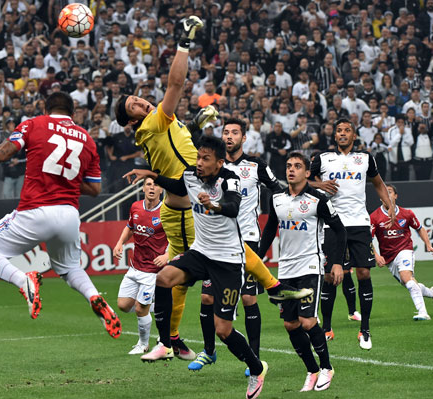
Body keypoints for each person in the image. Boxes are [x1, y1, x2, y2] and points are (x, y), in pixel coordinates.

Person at [115, 16, 310, 362]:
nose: (142, 102)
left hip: (183, 202)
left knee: (187, 272)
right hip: (186, 204)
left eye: (139, 99)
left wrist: (193, 125)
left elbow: (177, 149)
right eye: (134, 105)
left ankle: (171, 340)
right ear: (132, 121)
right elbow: (176, 84)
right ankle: (173, 338)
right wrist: (184, 42)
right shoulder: (152, 122)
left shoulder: (156, 127)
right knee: (208, 261)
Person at [0, 92, 121, 339]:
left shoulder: (34, 124)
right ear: (72, 112)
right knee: (70, 269)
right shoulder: (88, 140)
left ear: (46, 108)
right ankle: (95, 297)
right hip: (69, 216)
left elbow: (2, 155)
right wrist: (61, 177)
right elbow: (94, 189)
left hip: (35, 211)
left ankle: (23, 280)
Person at [124, 136, 269, 399]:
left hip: (227, 260)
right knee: (164, 278)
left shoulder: (230, 178)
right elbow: (177, 186)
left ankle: (257, 369)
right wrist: (151, 174)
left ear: (219, 162)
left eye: (205, 159)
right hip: (201, 252)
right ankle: (167, 343)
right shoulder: (191, 174)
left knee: (223, 330)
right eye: (198, 157)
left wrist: (214, 205)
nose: (199, 163)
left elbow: (234, 207)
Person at [187, 118, 283, 375]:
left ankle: (255, 359)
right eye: (226, 132)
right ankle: (209, 351)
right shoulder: (210, 165)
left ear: (244, 138)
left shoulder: (256, 165)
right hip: (215, 241)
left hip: (247, 239)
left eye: (234, 133)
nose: (229, 136)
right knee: (207, 296)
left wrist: (267, 235)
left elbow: (279, 192)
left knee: (249, 297)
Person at [259, 152, 346, 392]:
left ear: (307, 173)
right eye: (288, 166)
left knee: (308, 321)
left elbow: (340, 231)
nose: (291, 170)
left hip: (310, 266)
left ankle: (327, 367)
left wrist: (337, 263)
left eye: (297, 166)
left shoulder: (319, 199)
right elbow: (268, 233)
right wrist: (255, 261)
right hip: (285, 270)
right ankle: (312, 370)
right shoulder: (276, 197)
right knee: (290, 324)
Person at [310, 118, 395, 350]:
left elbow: (378, 182)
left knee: (364, 273)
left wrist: (388, 204)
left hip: (359, 223)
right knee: (330, 277)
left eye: (347, 130)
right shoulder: (322, 158)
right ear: (334, 136)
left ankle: (364, 330)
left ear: (354, 136)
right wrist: (320, 185)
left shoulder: (365, 158)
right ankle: (326, 328)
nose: (343, 134)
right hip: (332, 223)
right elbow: (303, 181)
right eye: (339, 131)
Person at [370, 184, 433, 320]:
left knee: (408, 280)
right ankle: (432, 293)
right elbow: (368, 239)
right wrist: (376, 255)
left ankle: (423, 312)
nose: (387, 195)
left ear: (396, 196)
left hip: (405, 250)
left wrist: (428, 245)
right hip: (389, 258)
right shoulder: (375, 217)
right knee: (410, 284)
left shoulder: (407, 214)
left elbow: (420, 228)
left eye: (390, 192)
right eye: (384, 193)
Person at [113, 177, 169, 355]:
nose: (152, 188)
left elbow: (179, 238)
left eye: (156, 185)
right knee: (123, 305)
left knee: (139, 309)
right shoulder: (135, 207)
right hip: (135, 267)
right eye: (148, 185)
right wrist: (120, 242)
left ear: (161, 190)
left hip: (153, 271)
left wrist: (167, 255)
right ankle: (163, 308)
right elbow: (130, 227)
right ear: (143, 188)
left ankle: (143, 344)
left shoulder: (167, 211)